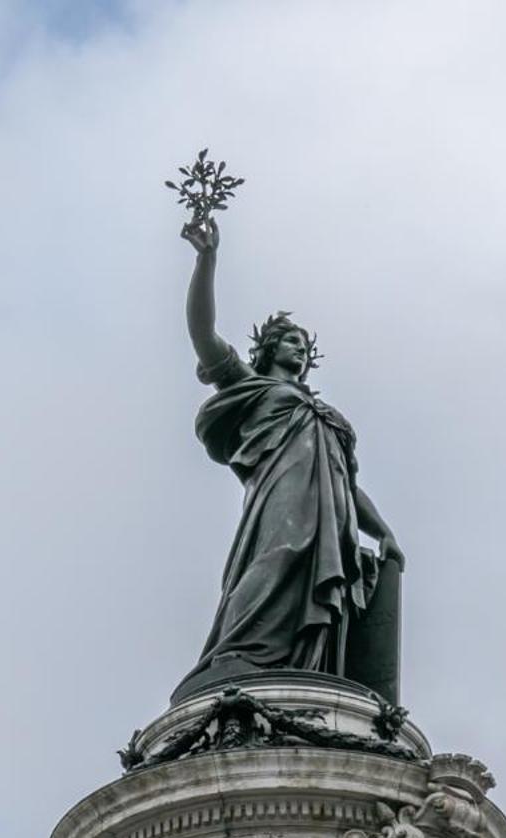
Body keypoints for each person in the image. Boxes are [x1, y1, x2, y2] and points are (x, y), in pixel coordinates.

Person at [172, 216, 404, 704]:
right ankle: (237, 654)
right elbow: (203, 333)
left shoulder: (330, 417)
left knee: (324, 589)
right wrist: (207, 259)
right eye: (290, 340)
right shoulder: (253, 387)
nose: (299, 347)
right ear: (270, 349)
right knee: (276, 560)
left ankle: (307, 669)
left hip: (332, 514)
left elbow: (349, 482)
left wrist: (381, 530)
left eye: (304, 344)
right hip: (281, 495)